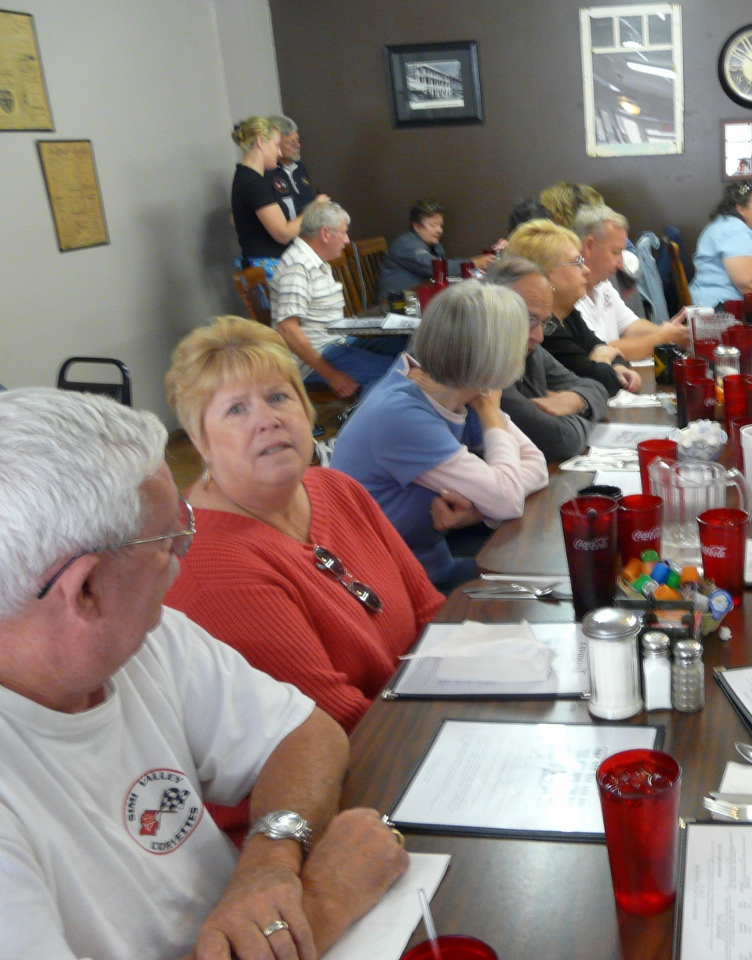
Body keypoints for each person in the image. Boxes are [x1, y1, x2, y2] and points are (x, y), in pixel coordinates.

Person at [0, 388, 408, 960]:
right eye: (169, 542)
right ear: (86, 590)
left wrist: (269, 859)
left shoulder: (143, 639)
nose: (185, 556)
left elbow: (304, 733)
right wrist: (325, 902)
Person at [164, 314, 445, 736]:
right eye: (236, 409)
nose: (267, 419)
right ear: (200, 440)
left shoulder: (337, 489)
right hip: (353, 771)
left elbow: (429, 613)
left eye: (278, 397)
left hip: (416, 721)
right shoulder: (211, 567)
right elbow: (335, 722)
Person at [330, 282, 549, 591]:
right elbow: (508, 499)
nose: (536, 338)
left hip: (429, 570)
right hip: (390, 591)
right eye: (521, 336)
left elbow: (535, 464)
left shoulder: (455, 389)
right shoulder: (403, 416)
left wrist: (479, 507)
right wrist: (490, 415)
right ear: (493, 354)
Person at [271, 200, 401, 398]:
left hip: (337, 342)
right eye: (343, 232)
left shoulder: (316, 261)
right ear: (325, 234)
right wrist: (332, 375)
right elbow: (288, 330)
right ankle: (365, 424)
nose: (347, 240)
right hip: (316, 359)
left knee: (405, 347)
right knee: (391, 374)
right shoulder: (297, 268)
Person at [486, 256, 609, 461]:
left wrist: (576, 400)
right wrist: (585, 417)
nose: (539, 337)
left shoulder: (529, 348)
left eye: (544, 323)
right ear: (492, 309)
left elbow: (597, 388)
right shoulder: (483, 364)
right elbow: (560, 441)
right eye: (529, 319)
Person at [505, 218, 640, 397]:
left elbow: (603, 349)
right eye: (577, 262)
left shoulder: (567, 314)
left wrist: (617, 365)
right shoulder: (545, 329)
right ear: (545, 273)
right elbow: (601, 383)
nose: (586, 270)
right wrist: (603, 362)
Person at [574, 205, 688, 360]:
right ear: (589, 245)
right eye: (615, 252)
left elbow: (630, 325)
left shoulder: (603, 283)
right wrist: (664, 338)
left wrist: (669, 331)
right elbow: (601, 352)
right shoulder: (568, 293)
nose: (621, 263)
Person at [230, 116, 329, 274]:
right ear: (261, 142)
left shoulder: (248, 177)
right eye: (276, 145)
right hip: (269, 266)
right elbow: (283, 234)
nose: (278, 152)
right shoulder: (253, 182)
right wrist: (315, 208)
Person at [377, 198, 498, 298]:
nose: (439, 230)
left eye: (441, 225)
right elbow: (434, 268)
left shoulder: (435, 246)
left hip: (419, 297)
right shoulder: (406, 245)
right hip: (394, 304)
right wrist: (473, 263)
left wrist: (475, 269)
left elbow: (446, 269)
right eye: (433, 225)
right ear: (417, 226)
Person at [689, 182, 752, 308]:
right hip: (720, 309)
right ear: (741, 209)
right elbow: (748, 284)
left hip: (722, 304)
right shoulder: (734, 229)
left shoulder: (741, 225)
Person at [267, 114, 316, 220]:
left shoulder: (299, 166)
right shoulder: (265, 172)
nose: (298, 146)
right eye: (292, 142)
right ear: (276, 144)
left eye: (298, 140)